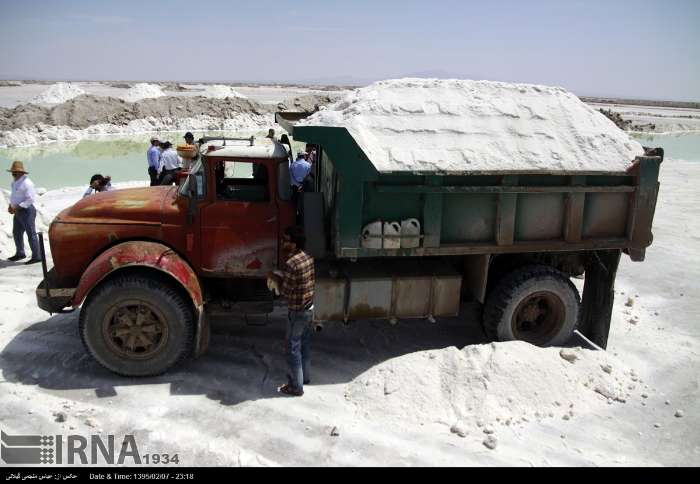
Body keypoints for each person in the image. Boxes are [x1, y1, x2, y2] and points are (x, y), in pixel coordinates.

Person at [268, 226, 315, 396]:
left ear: (294, 244)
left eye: (286, 240)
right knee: (305, 344)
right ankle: (305, 378)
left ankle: (296, 387)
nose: (283, 242)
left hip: (297, 313)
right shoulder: (308, 257)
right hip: (309, 308)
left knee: (292, 348)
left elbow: (286, 293)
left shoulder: (291, 263)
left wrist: (275, 279)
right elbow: (302, 281)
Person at [6, 161, 40, 264]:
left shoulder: (27, 183)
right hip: (18, 211)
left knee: (31, 234)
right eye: (12, 172)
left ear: (21, 173)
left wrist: (18, 207)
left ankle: (37, 256)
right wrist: (10, 206)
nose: (13, 174)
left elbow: (30, 199)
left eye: (15, 172)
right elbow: (15, 196)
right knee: (16, 233)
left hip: (26, 211)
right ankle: (20, 253)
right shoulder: (14, 182)